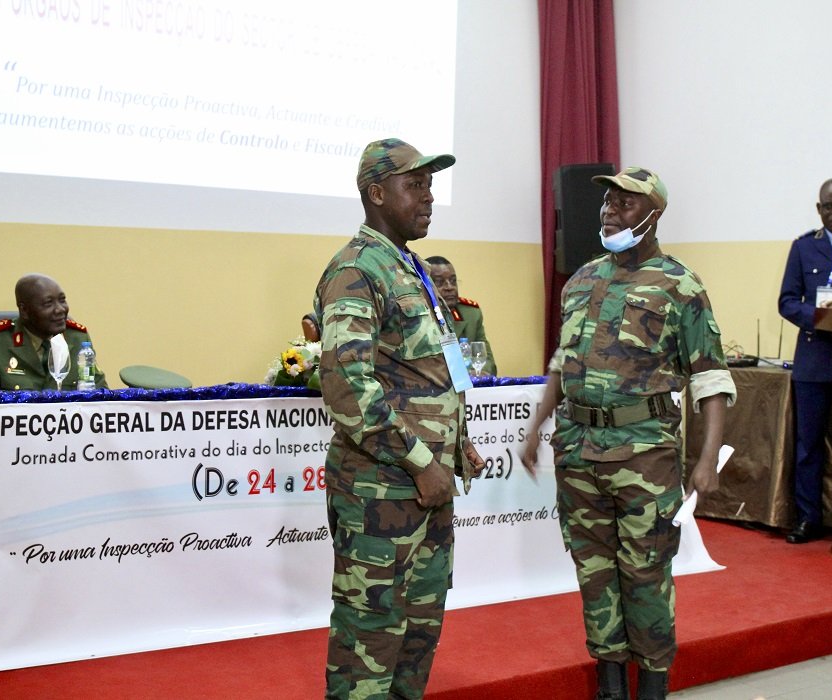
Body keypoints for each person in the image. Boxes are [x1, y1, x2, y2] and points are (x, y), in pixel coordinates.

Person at [520, 167, 736, 700]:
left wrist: (706, 459)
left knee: (645, 574)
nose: (610, 211)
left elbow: (710, 376)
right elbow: (563, 362)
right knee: (594, 573)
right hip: (579, 452)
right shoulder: (581, 281)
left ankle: (653, 687)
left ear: (654, 214)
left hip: (644, 456)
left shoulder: (679, 285)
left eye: (625, 203)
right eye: (608, 202)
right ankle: (610, 686)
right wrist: (537, 424)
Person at [313, 137, 486, 700]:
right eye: (415, 185)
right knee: (370, 638)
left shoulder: (412, 268)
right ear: (377, 194)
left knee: (418, 633)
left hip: (427, 484)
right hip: (381, 488)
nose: (428, 197)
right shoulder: (357, 270)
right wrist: (420, 462)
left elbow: (430, 371)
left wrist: (458, 444)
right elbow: (348, 386)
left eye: (429, 185)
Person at [778, 178, 832, 544]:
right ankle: (808, 518)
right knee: (808, 446)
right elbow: (786, 302)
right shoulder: (803, 247)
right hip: (813, 361)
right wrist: (818, 315)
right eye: (829, 206)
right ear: (819, 209)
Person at [0, 273, 108, 391]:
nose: (60, 309)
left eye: (62, 300)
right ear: (24, 310)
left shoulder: (77, 338)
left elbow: (103, 397)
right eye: (48, 303)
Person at [426, 255, 498, 375]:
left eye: (453, 281)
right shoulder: (415, 317)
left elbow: (487, 361)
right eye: (439, 282)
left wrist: (480, 372)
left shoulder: (471, 314)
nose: (450, 287)